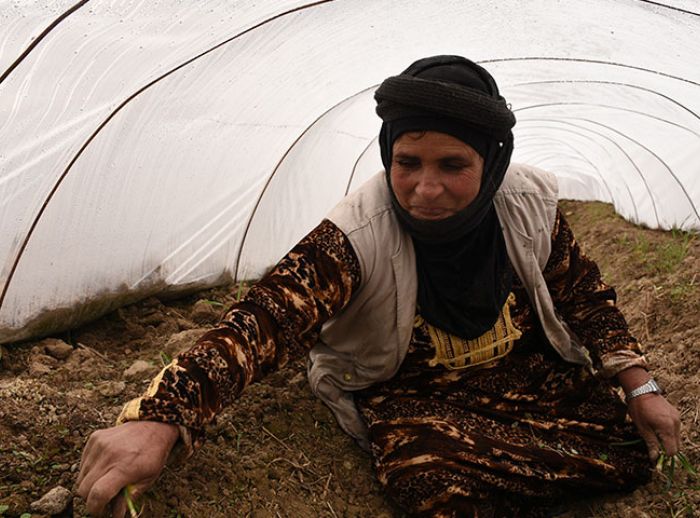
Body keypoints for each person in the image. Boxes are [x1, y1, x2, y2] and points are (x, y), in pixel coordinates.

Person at [77, 55, 681, 517]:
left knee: (625, 441)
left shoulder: (530, 206)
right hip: (415, 396)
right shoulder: (354, 234)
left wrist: (639, 384)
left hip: (523, 380)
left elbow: (583, 296)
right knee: (428, 478)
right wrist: (160, 416)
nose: (424, 188)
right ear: (389, 154)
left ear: (491, 164)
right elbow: (262, 322)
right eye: (408, 162)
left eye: (453, 166)